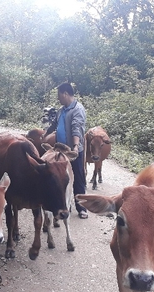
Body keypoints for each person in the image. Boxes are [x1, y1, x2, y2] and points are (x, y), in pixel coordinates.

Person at [45, 82, 88, 219]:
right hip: (59, 150)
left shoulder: (78, 109)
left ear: (65, 94)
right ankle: (63, 204)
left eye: (59, 96)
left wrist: (75, 146)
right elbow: (55, 124)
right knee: (61, 177)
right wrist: (46, 133)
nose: (58, 99)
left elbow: (77, 128)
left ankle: (81, 207)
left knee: (77, 177)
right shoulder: (61, 110)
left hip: (72, 151)